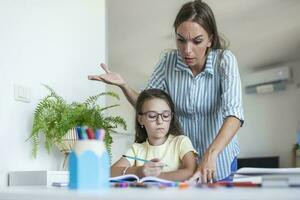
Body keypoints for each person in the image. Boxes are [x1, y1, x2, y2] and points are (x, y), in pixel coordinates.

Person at [89, 0, 244, 183]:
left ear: (210, 39)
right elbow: (146, 104)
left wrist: (212, 153)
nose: (187, 50)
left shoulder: (224, 61)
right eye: (181, 40)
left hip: (219, 160)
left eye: (197, 41)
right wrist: (123, 85)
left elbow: (234, 114)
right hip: (182, 165)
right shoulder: (168, 62)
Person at [111, 89, 197, 181]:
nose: (160, 121)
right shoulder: (136, 149)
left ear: (171, 117)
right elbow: (110, 172)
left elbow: (190, 172)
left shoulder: (181, 142)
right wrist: (139, 171)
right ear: (140, 119)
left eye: (165, 115)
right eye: (152, 116)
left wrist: (153, 177)